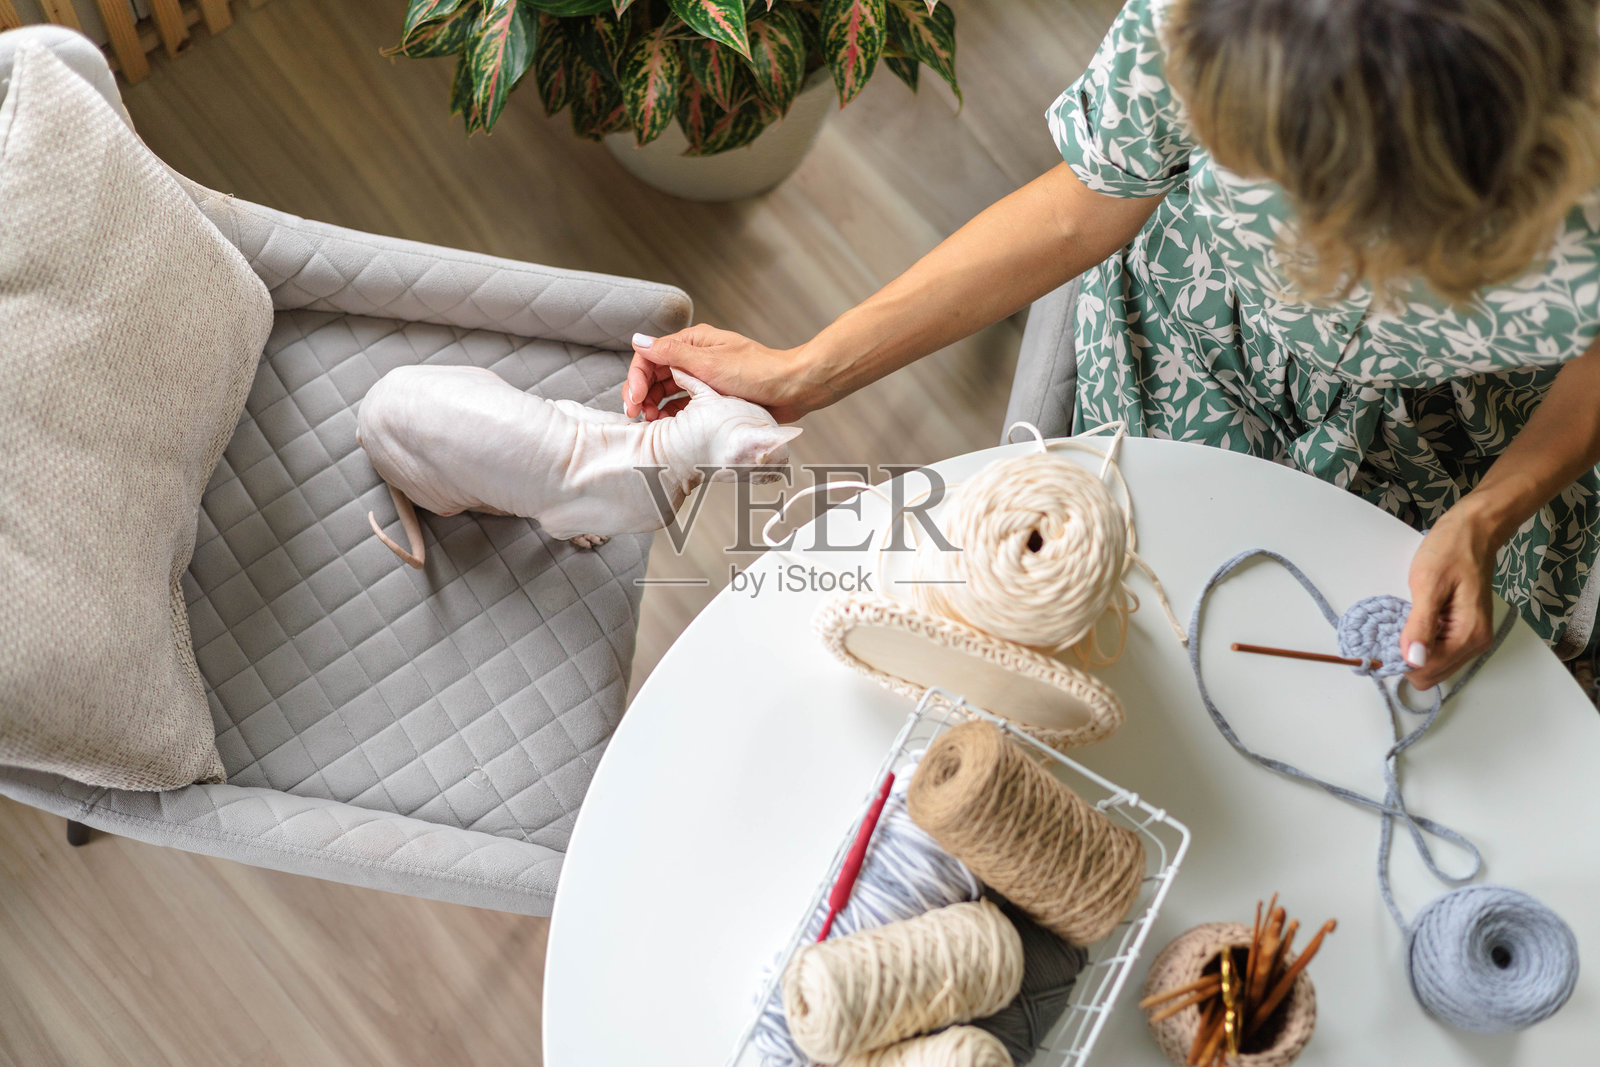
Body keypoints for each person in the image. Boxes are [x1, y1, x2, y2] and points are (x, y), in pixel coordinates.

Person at [621, 0, 1600, 690]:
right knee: (1131, 642)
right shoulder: (1209, 19)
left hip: (1461, 439)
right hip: (1187, 349)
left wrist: (1486, 516)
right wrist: (804, 371)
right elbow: (1084, 204)